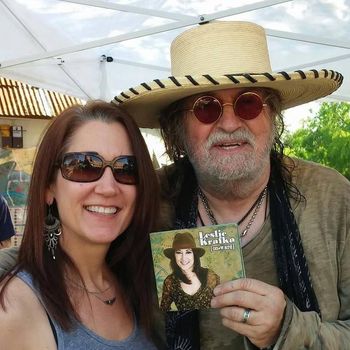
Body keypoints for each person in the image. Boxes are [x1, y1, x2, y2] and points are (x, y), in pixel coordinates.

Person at [113, 21, 349, 349]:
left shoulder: (332, 196)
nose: (229, 123)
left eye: (248, 103)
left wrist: (287, 330)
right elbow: (60, 260)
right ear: (178, 127)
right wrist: (14, 274)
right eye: (205, 108)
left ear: (272, 114)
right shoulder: (146, 199)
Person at [0, 101, 164, 349]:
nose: (109, 188)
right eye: (84, 166)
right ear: (48, 187)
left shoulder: (138, 281)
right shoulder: (17, 307)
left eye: (126, 169)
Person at [160, 232, 220, 311]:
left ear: (194, 255)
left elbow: (221, 303)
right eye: (179, 252)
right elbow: (163, 310)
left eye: (188, 252)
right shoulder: (170, 281)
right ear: (174, 256)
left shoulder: (210, 276)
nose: (183, 258)